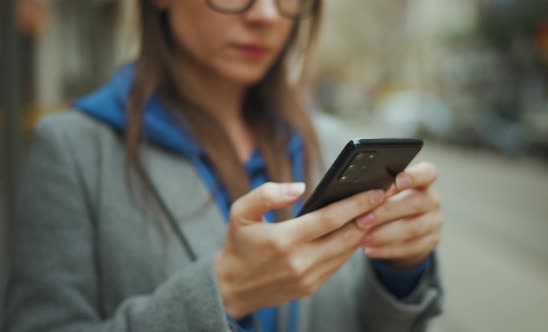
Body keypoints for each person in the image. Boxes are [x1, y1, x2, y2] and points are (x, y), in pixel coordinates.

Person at [4, 0, 444, 331]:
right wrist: (226, 291)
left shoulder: (326, 143)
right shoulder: (76, 148)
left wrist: (400, 269)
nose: (267, 14)